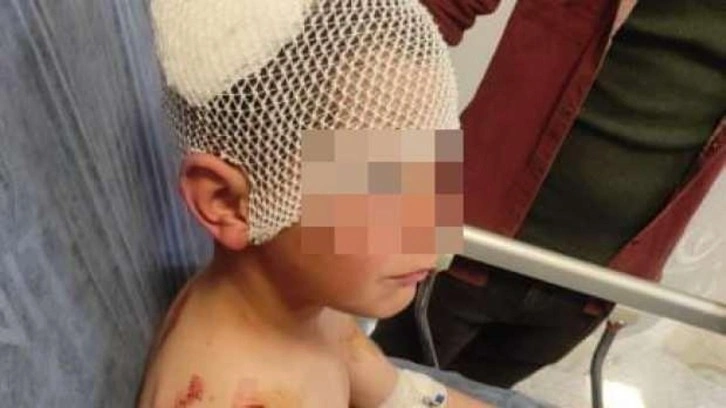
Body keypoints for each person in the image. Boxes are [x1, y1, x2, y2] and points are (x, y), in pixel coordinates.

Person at [137, 0, 549, 406]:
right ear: (228, 202)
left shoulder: (312, 309)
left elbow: (405, 397)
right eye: (385, 186)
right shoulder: (231, 392)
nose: (437, 232)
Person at [373, 0, 726, 388]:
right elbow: (409, 19)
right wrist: (341, 197)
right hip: (461, 237)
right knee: (354, 377)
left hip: (594, 290)